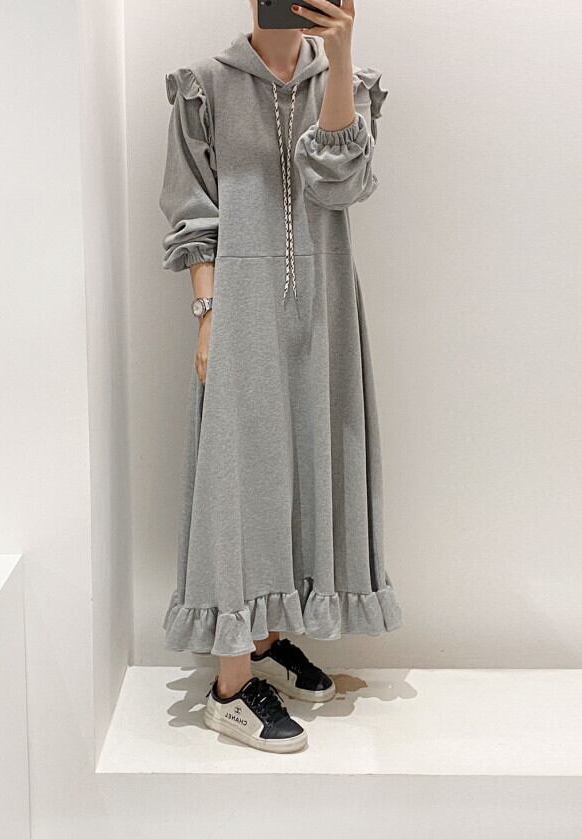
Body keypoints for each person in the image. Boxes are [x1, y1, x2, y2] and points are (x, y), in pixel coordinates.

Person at [158, 0, 402, 753]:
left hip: (323, 311)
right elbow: (194, 209)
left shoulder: (347, 82)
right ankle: (230, 688)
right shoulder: (204, 86)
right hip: (240, 307)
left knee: (305, 467)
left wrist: (342, 54)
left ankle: (264, 642)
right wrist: (207, 315)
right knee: (240, 477)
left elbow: (339, 186)